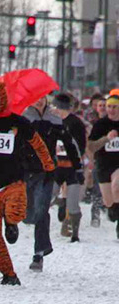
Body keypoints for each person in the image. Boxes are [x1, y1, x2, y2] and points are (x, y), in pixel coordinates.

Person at [0, 83, 54, 285]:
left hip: (14, 181)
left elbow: (38, 143)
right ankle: (9, 274)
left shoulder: (18, 121)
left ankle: (11, 223)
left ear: (5, 98)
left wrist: (49, 165)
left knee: (16, 212)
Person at [22, 96, 81, 272]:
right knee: (28, 214)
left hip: (46, 172)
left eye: (42, 97)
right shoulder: (24, 118)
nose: (38, 101)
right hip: (25, 171)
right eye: (35, 98)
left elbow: (69, 143)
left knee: (42, 209)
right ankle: (32, 230)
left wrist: (77, 167)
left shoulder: (54, 119)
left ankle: (39, 253)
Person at [52, 93, 87, 243]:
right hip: (56, 167)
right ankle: (41, 224)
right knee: (48, 196)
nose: (53, 109)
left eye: (54, 106)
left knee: (73, 204)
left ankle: (75, 232)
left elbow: (80, 147)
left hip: (72, 167)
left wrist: (78, 167)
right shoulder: (52, 122)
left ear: (60, 108)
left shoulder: (75, 123)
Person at [87, 95, 119, 239]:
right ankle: (113, 210)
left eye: (115, 107)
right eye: (109, 107)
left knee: (116, 186)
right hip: (103, 164)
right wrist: (106, 138)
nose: (111, 110)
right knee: (108, 201)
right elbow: (92, 146)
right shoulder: (100, 124)